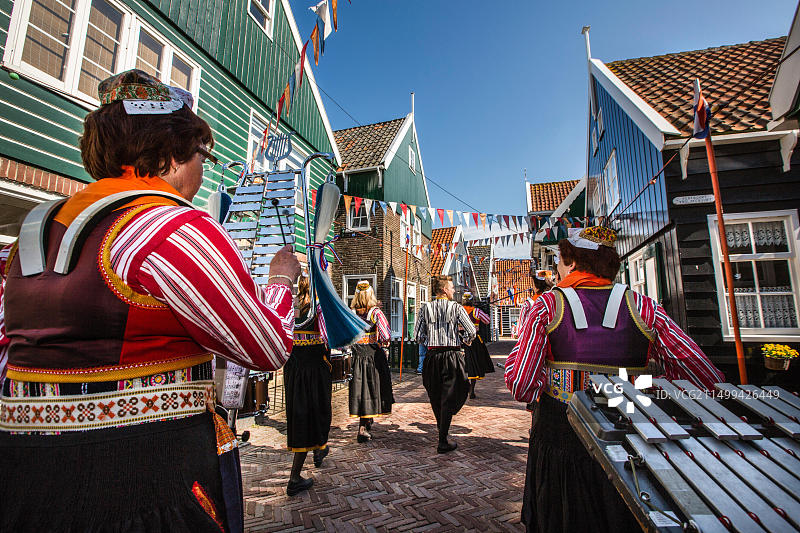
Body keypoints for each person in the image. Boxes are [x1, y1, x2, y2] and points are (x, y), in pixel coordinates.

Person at [0, 69, 301, 532]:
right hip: (145, 483)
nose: (204, 168)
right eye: (204, 154)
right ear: (172, 154)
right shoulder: (169, 228)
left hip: (24, 482)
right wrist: (281, 282)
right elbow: (265, 346)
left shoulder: (29, 240)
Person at [504, 226, 724, 533]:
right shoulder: (645, 307)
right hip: (631, 436)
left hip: (563, 438)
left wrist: (551, 377)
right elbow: (704, 377)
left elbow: (521, 383)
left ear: (572, 260)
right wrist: (649, 388)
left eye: (560, 259)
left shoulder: (547, 307)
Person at [414, 275, 476, 453]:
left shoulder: (425, 308)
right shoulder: (456, 308)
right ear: (443, 290)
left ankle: (442, 433)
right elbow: (471, 331)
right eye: (451, 287)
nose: (454, 290)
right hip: (452, 355)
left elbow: (417, 336)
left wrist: (431, 341)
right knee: (452, 394)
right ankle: (443, 438)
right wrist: (463, 340)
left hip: (433, 356)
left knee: (435, 394)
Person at [284, 274, 332, 496]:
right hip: (313, 369)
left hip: (294, 368)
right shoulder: (318, 309)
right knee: (317, 412)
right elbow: (327, 337)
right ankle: (295, 477)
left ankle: (319, 448)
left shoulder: (290, 308)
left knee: (301, 415)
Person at [348, 280, 393, 442]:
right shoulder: (375, 313)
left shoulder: (351, 312)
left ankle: (365, 423)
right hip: (372, 355)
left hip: (357, 355)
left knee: (360, 390)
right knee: (374, 388)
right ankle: (363, 427)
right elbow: (386, 334)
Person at [461, 292, 494, 399]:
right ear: (472, 300)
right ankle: (472, 389)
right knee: (473, 364)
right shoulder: (476, 311)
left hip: (459, 339)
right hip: (473, 340)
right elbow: (487, 321)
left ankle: (462, 386)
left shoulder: (458, 310)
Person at [517, 270, 554, 335]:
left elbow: (521, 328)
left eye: (533, 284)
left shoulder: (528, 304)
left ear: (536, 286)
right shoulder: (556, 299)